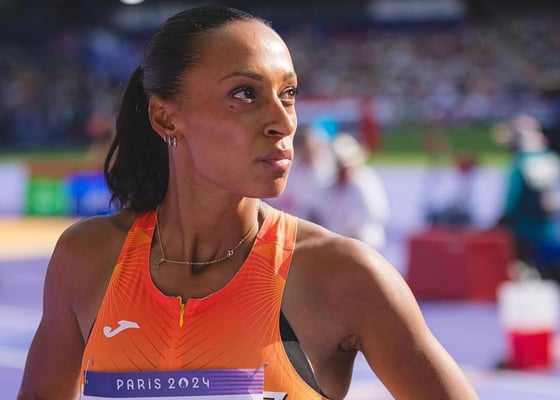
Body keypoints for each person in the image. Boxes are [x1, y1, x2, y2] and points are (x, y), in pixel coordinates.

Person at [18, 5, 478, 400]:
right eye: (245, 94)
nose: (283, 121)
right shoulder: (88, 258)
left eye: (288, 94)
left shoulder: (344, 275)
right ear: (166, 117)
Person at [494, 113, 560, 281]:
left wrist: (502, 220)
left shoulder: (527, 161)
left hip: (530, 232)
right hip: (544, 232)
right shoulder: (546, 159)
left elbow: (513, 201)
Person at [313, 132, 391, 251]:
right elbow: (321, 214)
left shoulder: (365, 181)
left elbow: (376, 214)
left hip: (365, 244)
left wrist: (349, 232)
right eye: (339, 166)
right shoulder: (329, 184)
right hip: (336, 244)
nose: (342, 171)